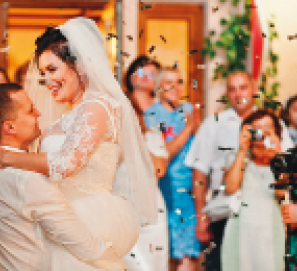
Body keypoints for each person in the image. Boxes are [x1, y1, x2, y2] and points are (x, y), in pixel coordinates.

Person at [0, 17, 159, 269]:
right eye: (43, 73)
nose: (46, 80)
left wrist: (5, 157)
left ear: (81, 66)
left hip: (89, 217)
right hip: (57, 216)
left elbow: (66, 164)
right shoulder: (62, 117)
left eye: (53, 70)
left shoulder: (97, 106)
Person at [0, 83, 123, 270]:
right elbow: (81, 242)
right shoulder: (27, 179)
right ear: (10, 127)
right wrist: (118, 264)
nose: (38, 113)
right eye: (30, 110)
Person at [184, 71, 294, 270]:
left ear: (253, 90)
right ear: (227, 94)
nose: (238, 93)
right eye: (232, 89)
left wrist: (274, 152)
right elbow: (199, 173)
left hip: (269, 217)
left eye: (243, 87)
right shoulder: (213, 124)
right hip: (225, 213)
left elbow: (287, 174)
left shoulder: (272, 122)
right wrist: (201, 218)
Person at [144, 68, 201, 270]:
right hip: (164, 189)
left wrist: (196, 126)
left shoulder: (188, 110)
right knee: (164, 253)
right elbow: (163, 155)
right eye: (169, 82)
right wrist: (188, 128)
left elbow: (200, 150)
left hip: (190, 193)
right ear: (159, 86)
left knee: (188, 255)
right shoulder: (151, 114)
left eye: (178, 82)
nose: (175, 87)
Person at [221, 109, 285, 270]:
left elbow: (282, 193)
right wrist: (242, 150)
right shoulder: (240, 158)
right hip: (241, 234)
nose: (262, 135)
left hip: (271, 233)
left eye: (267, 129)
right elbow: (230, 188)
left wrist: (277, 155)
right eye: (257, 129)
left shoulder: (282, 163)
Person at [123, 61, 169, 271]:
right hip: (122, 215)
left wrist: (136, 142)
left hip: (152, 217)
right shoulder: (110, 143)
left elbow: (160, 168)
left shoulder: (151, 137)